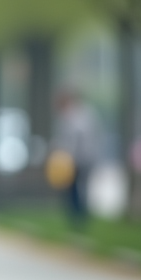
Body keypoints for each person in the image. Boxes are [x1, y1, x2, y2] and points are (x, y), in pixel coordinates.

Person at [53, 90, 102, 226]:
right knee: (81, 188)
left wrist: (66, 155)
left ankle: (78, 217)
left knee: (76, 188)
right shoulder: (88, 113)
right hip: (85, 157)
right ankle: (79, 216)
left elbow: (73, 139)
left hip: (78, 158)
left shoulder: (73, 115)